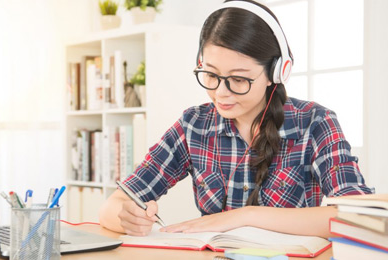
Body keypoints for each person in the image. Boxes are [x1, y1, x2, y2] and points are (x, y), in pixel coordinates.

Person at [99, 0, 372, 238]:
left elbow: (357, 217)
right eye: (211, 75)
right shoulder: (193, 125)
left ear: (277, 72)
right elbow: (113, 206)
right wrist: (127, 216)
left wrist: (244, 217)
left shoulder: (315, 122)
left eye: (239, 79)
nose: (221, 92)